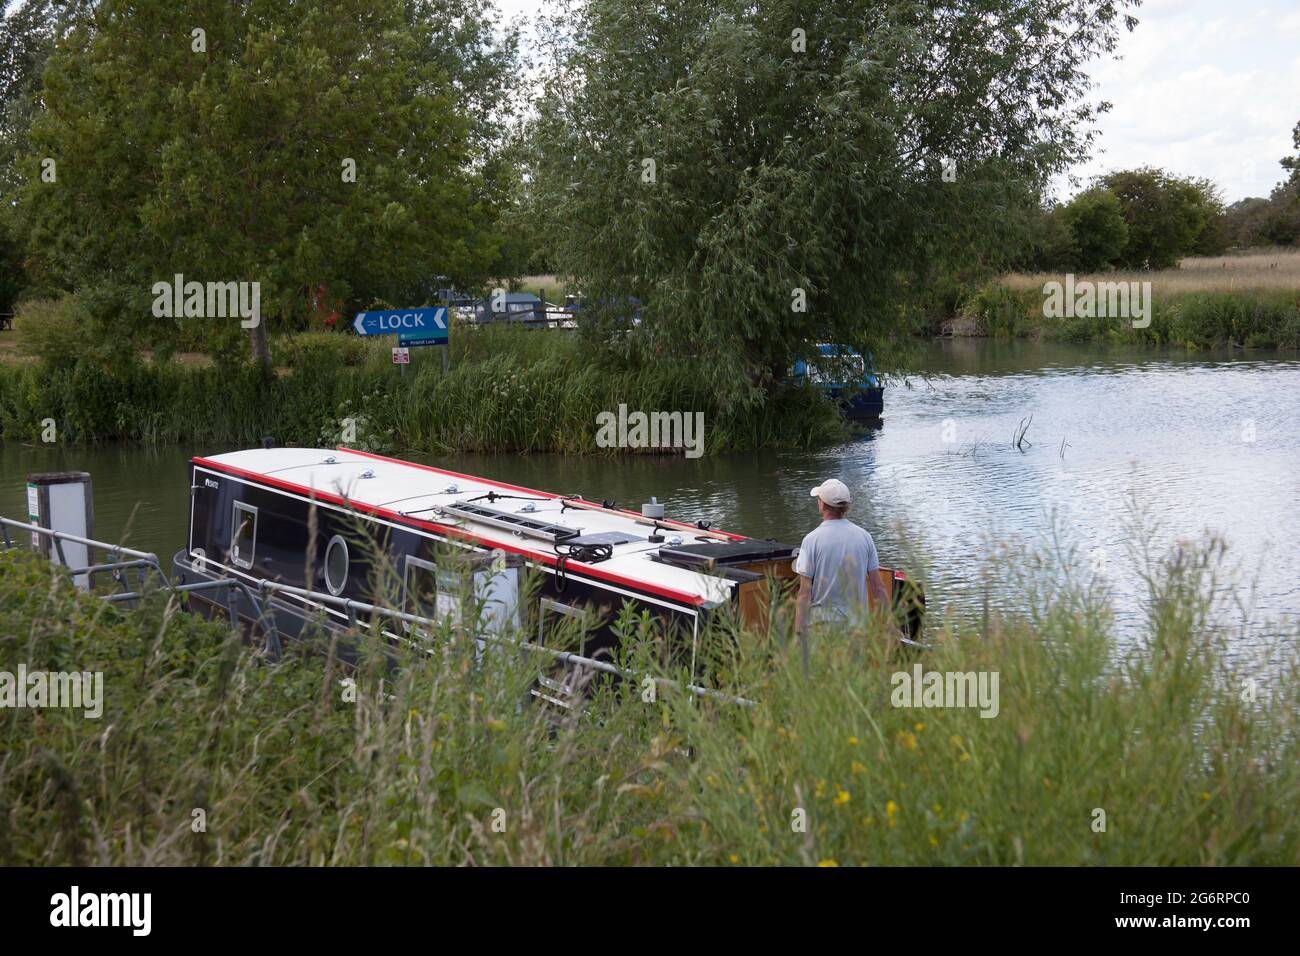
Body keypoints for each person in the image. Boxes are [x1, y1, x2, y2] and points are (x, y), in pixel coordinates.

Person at [793, 478, 892, 639]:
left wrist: (799, 635)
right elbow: (878, 587)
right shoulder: (865, 537)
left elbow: (804, 594)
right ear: (847, 507)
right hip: (857, 630)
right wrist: (890, 625)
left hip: (822, 630)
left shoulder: (810, 540)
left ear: (822, 505)